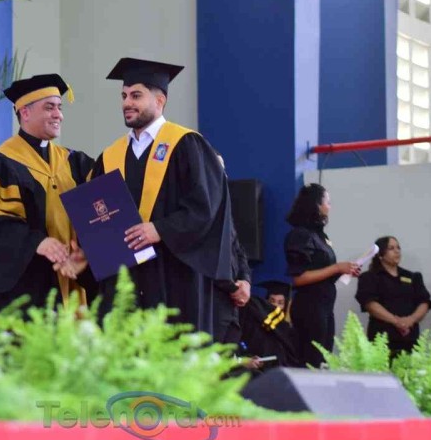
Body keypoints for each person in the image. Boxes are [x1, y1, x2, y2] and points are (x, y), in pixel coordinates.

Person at [89, 57, 234, 335]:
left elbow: (206, 207)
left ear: (160, 101)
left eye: (136, 95)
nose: (127, 103)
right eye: (123, 96)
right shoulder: (109, 157)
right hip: (126, 280)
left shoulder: (186, 144)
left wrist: (161, 229)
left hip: (174, 275)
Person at [0, 74, 96, 313]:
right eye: (49, 107)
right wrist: (37, 242)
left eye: (59, 107)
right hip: (29, 291)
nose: (58, 115)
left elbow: (102, 213)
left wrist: (88, 252)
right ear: (25, 112)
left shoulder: (76, 162)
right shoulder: (2, 164)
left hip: (72, 280)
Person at [285, 183, 360, 368]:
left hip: (326, 307)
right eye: (328, 202)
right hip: (310, 308)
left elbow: (324, 272)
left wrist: (344, 270)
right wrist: (336, 268)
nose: (330, 207)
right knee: (311, 361)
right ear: (316, 205)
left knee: (324, 361)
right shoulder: (300, 235)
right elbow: (299, 278)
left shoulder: (320, 236)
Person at [355, 236, 431, 357]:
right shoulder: (369, 277)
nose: (397, 251)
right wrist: (396, 322)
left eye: (398, 248)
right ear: (380, 254)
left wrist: (410, 320)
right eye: (391, 248)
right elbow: (370, 304)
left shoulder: (413, 276)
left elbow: (425, 302)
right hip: (381, 338)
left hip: (410, 336)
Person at [212, 153, 252, 344]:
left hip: (231, 307)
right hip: (211, 305)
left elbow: (238, 250)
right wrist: (233, 288)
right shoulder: (194, 214)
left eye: (224, 171)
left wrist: (245, 282)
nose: (224, 176)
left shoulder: (225, 211)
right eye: (217, 170)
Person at [236, 279, 300, 368]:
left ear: (286, 306)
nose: (275, 306)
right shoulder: (255, 325)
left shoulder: (288, 332)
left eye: (280, 303)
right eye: (272, 301)